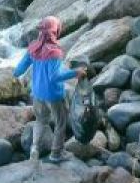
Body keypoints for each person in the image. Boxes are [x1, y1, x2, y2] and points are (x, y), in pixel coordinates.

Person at [14, 16, 89, 164]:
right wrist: (76, 73)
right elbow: (55, 77)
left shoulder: (33, 48)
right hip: (53, 95)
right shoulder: (54, 52)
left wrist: (16, 76)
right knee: (61, 123)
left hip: (37, 94)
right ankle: (56, 153)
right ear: (56, 31)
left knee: (40, 121)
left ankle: (34, 149)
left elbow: (18, 70)